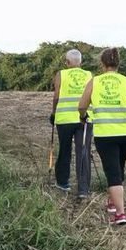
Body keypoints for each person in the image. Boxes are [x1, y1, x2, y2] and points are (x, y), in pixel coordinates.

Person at [78, 47, 126, 225]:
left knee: (112, 172)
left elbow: (81, 105)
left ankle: (120, 214)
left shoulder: (95, 82)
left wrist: (83, 117)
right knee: (118, 166)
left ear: (102, 63)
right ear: (118, 63)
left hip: (106, 135)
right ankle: (112, 200)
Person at [49, 49, 93, 198]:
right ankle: (83, 189)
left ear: (67, 62)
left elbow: (56, 96)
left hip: (64, 119)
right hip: (84, 119)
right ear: (81, 62)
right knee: (83, 152)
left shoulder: (61, 74)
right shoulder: (89, 75)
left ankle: (63, 182)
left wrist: (53, 113)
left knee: (64, 150)